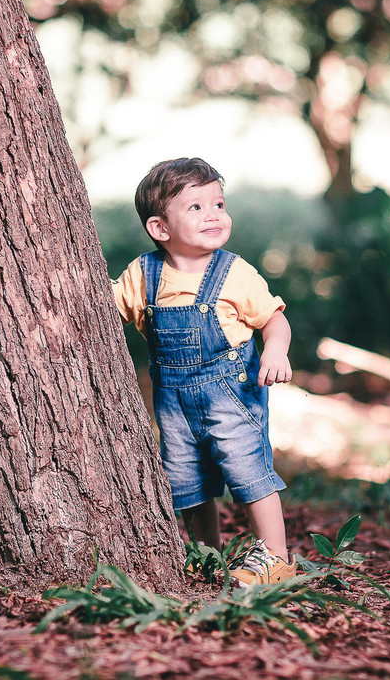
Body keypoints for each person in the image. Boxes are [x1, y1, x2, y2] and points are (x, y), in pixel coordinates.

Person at [112, 157, 296, 586]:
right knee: (187, 479)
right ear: (160, 228)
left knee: (248, 470)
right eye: (197, 207)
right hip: (173, 403)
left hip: (230, 394)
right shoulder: (143, 274)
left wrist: (276, 352)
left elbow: (274, 318)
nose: (214, 214)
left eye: (219, 203)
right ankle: (205, 555)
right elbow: (107, 308)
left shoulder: (235, 272)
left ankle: (275, 556)